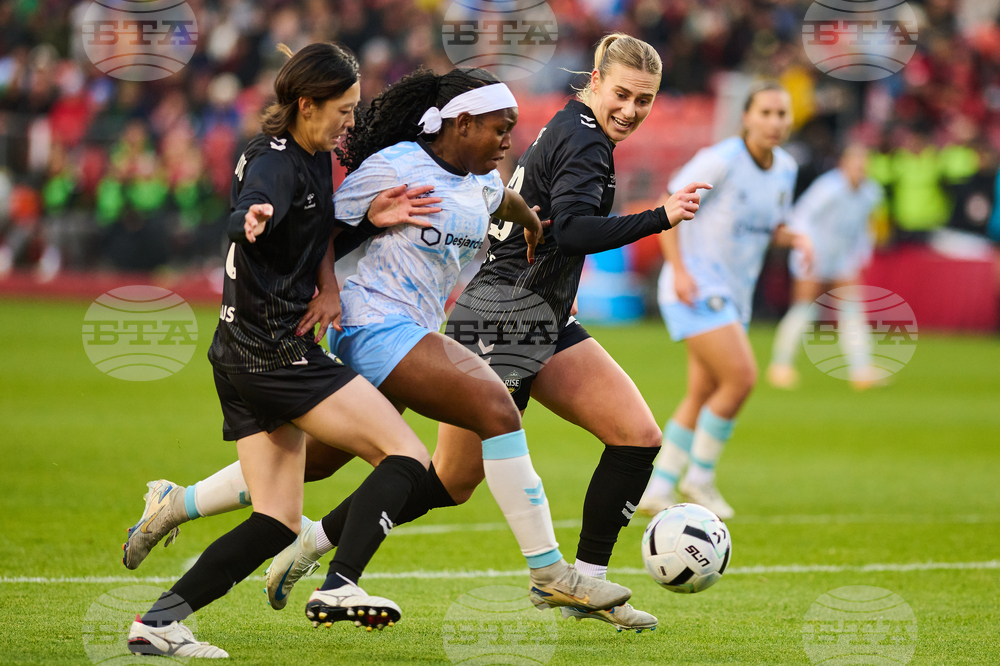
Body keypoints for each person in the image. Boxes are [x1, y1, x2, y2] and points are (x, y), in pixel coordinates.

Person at [125, 66, 633, 628]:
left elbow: (500, 205)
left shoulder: (482, 179)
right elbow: (323, 231)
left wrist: (531, 224)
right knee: (496, 409)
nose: (508, 140)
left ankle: (176, 502)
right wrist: (329, 291)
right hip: (372, 323)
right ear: (461, 123)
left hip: (412, 328)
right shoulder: (392, 168)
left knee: (310, 464)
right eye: (499, 127)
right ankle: (549, 574)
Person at [124, 43, 438, 658]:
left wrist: (367, 224)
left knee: (276, 521)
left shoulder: (312, 156)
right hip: (276, 354)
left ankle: (157, 623)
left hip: (239, 354)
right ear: (305, 104)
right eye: (343, 110)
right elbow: (258, 204)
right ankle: (341, 585)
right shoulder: (272, 161)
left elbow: (311, 233)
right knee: (407, 457)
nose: (351, 120)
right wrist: (251, 216)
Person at [638, 80, 813, 521]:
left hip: (733, 295)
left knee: (703, 391)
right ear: (747, 118)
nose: (775, 122)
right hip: (697, 286)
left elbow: (767, 226)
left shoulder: (786, 169)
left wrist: (795, 239)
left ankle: (657, 487)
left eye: (782, 114)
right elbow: (669, 205)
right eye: (766, 113)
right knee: (741, 378)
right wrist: (677, 270)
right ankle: (700, 477)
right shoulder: (721, 159)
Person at [767, 144, 884, 390]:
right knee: (805, 308)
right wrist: (806, 247)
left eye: (863, 166)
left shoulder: (871, 193)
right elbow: (801, 216)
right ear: (843, 165)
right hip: (813, 254)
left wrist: (861, 255)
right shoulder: (828, 189)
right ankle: (780, 365)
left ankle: (861, 369)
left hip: (841, 258)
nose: (859, 171)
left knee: (851, 309)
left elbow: (865, 228)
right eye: (855, 165)